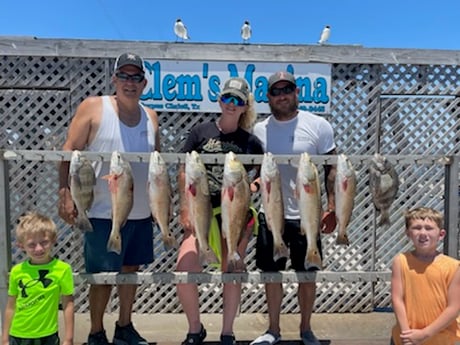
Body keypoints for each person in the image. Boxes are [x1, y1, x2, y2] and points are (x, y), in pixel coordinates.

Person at [58, 52, 160, 345]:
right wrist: (64, 193)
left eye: (136, 77)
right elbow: (68, 151)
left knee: (131, 272)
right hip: (100, 211)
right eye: (124, 76)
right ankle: (96, 332)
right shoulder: (93, 107)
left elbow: (156, 165)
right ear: (114, 78)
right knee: (101, 276)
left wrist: (158, 206)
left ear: (144, 83)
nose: (130, 82)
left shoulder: (151, 116)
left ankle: (125, 327)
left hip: (139, 212)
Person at [251, 71, 337, 345]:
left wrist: (332, 206)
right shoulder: (258, 129)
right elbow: (254, 170)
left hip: (307, 214)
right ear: (268, 97)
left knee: (307, 275)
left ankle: (306, 329)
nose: (282, 95)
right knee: (271, 274)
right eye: (276, 91)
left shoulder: (319, 125)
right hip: (271, 214)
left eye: (287, 89)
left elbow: (332, 168)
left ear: (296, 91)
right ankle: (273, 330)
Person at [176, 77, 264, 345]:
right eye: (228, 98)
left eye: (238, 100)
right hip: (202, 208)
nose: (232, 104)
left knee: (232, 269)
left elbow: (263, 174)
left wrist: (256, 185)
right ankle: (195, 328)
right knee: (184, 268)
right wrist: (183, 207)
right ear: (219, 100)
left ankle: (227, 332)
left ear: (245, 106)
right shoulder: (200, 132)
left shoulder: (251, 142)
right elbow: (182, 170)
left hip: (236, 211)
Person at [2, 211, 74, 345]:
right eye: (31, 244)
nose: (39, 248)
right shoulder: (17, 271)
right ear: (21, 246)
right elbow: (11, 306)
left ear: (53, 240)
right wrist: (5, 338)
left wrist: (68, 338)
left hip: (48, 335)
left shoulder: (63, 269)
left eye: (44, 242)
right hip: (18, 335)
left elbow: (68, 304)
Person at [390, 207, 460, 345]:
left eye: (429, 228)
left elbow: (454, 308)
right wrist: (407, 335)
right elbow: (397, 299)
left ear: (441, 234)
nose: (423, 233)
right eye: (417, 228)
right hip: (404, 338)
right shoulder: (401, 261)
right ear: (408, 233)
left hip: (442, 340)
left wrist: (424, 334)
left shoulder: (454, 267)